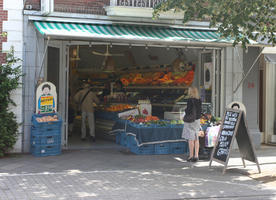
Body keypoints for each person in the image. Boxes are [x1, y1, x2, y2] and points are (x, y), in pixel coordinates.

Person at [182, 86, 202, 162]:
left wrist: (185, 111)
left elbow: (188, 111)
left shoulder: (190, 100)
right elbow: (200, 110)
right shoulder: (199, 100)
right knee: (196, 138)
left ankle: (191, 156)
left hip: (190, 120)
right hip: (197, 120)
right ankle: (196, 156)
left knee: (191, 139)